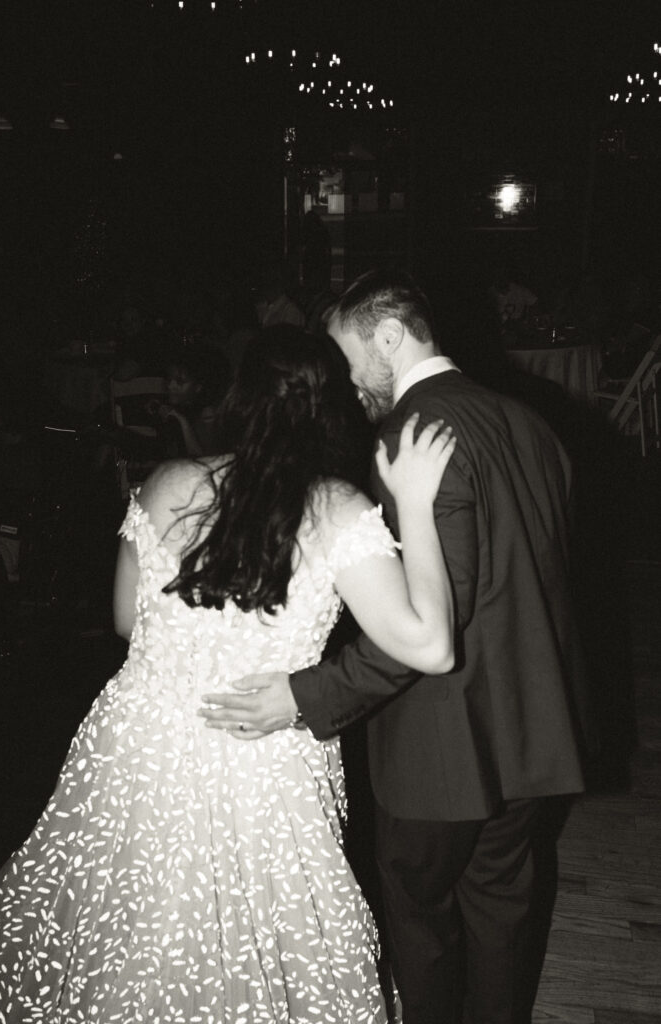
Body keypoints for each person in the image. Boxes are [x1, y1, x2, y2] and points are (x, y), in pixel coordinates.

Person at [0, 324, 457, 1023]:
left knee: (129, 918)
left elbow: (124, 620)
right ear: (331, 409)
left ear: (239, 398)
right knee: (257, 934)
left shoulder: (168, 480)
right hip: (258, 755)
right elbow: (431, 647)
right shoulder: (337, 508)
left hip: (142, 736)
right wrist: (412, 505)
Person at [201, 271, 591, 1024]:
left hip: (443, 741)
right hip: (536, 726)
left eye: (348, 358)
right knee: (502, 904)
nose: (346, 384)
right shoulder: (531, 420)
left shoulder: (410, 436)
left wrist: (304, 695)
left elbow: (431, 614)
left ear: (389, 336)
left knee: (420, 915)